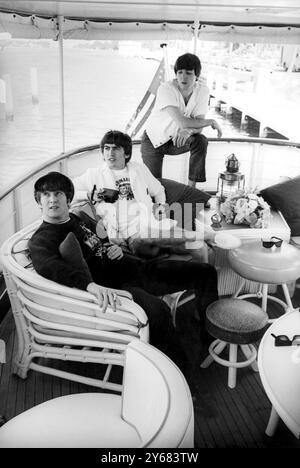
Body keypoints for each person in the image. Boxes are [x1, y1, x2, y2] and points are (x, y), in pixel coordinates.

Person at [29, 172, 218, 374]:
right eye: (46, 195)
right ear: (39, 201)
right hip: (115, 289)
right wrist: (89, 285)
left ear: (68, 198)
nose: (52, 200)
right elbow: (50, 267)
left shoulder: (76, 219)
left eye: (57, 193)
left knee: (205, 272)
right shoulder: (42, 239)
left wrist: (113, 246)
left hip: (134, 268)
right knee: (158, 311)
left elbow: (101, 240)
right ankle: (179, 375)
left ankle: (210, 338)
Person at [72, 130, 215, 259]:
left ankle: (200, 286)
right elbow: (69, 192)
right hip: (133, 237)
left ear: (126, 153)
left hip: (156, 225)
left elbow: (158, 190)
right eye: (106, 148)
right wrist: (89, 195)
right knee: (147, 233)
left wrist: (160, 208)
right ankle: (205, 235)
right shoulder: (94, 174)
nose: (110, 153)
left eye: (116, 148)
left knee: (200, 248)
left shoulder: (138, 169)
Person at [141, 53, 222, 188]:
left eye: (189, 73)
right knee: (155, 187)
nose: (183, 77)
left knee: (200, 140)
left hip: (178, 140)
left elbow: (198, 124)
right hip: (153, 140)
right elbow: (182, 122)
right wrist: (211, 122)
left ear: (196, 75)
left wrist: (188, 131)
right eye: (180, 72)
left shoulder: (203, 91)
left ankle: (191, 189)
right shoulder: (166, 88)